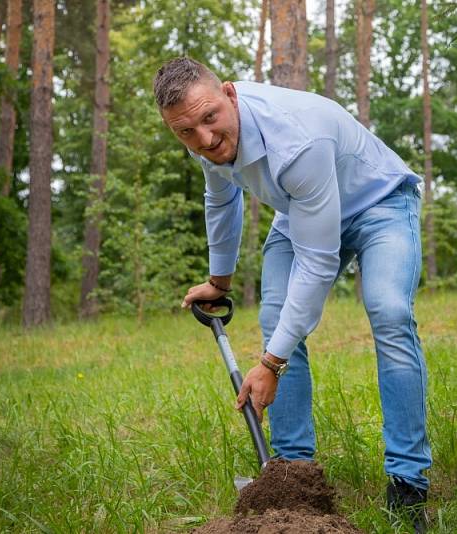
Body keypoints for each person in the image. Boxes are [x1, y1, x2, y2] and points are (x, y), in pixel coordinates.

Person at [154, 57, 431, 526]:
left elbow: (319, 263)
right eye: (186, 132)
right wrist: (218, 281)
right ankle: (293, 476)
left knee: (388, 312)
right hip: (303, 209)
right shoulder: (199, 136)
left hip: (378, 202)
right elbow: (220, 198)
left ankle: (408, 482)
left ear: (229, 93)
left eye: (210, 119)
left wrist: (270, 364)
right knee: (275, 321)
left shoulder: (298, 137)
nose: (204, 140)